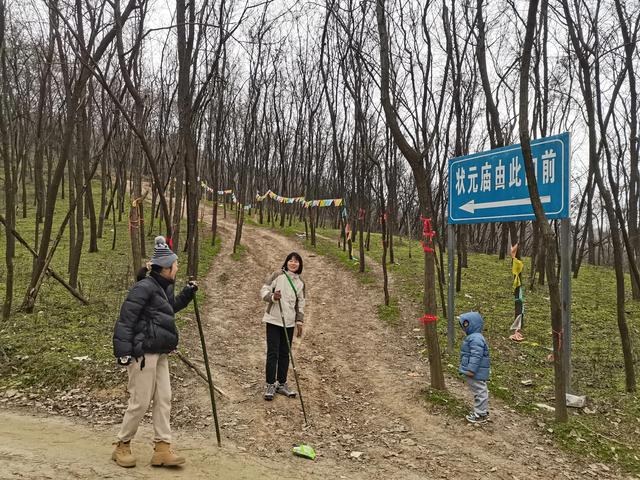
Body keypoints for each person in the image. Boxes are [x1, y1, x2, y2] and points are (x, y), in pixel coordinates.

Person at [111, 236, 198, 468]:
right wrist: (123, 351)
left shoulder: (163, 287)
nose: (178, 268)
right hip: (142, 353)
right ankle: (122, 444)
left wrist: (187, 294)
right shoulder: (144, 287)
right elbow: (126, 319)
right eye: (176, 265)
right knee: (140, 401)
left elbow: (167, 310)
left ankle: (162, 448)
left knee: (164, 399)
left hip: (160, 352)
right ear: (167, 267)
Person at [260, 252, 306, 401]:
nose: (293, 263)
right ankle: (270, 384)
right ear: (286, 262)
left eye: (296, 261)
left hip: (290, 322)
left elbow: (301, 303)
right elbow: (264, 290)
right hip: (274, 319)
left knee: (285, 353)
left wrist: (299, 321)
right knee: (273, 352)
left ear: (300, 265)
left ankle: (282, 383)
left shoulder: (300, 283)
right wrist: (273, 297)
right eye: (291, 261)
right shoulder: (277, 275)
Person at [458, 311, 490, 424]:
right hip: (476, 371)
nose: (463, 328)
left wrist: (471, 369)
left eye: (464, 325)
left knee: (480, 391)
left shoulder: (475, 338)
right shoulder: (474, 337)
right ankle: (482, 411)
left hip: (475, 372)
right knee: (480, 390)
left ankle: (480, 414)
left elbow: (476, 355)